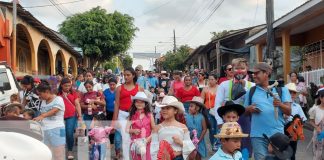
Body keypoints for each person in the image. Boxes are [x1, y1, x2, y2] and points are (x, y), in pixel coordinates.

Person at [244, 62, 292, 160]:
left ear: (266, 73)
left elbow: (289, 111)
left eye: (257, 73)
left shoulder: (281, 89)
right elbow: (244, 112)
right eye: (253, 73)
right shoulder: (251, 91)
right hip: (257, 136)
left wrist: (280, 104)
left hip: (277, 135)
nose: (254, 76)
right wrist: (249, 109)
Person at [215, 58, 254, 156]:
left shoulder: (253, 86)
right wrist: (219, 121)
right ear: (232, 69)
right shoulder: (224, 85)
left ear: (247, 69)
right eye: (236, 68)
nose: (240, 71)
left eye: (242, 68)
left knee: (245, 150)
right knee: (228, 149)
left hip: (246, 122)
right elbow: (217, 104)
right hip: (228, 120)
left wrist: (244, 87)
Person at [113, 67, 143, 160]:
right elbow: (117, 104)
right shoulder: (119, 88)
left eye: (128, 75)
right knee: (125, 139)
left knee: (136, 138)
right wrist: (114, 120)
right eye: (124, 75)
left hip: (135, 115)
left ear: (133, 75)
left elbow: (142, 104)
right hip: (122, 114)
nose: (126, 77)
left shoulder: (139, 88)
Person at [33, 82, 66, 160]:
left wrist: (42, 116)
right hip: (45, 130)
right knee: (47, 153)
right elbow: (42, 115)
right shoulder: (43, 101)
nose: (39, 96)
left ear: (47, 92)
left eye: (40, 94)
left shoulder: (58, 99)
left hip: (58, 129)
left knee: (59, 154)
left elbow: (55, 110)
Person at [57, 78, 83, 159]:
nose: (67, 87)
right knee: (60, 134)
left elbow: (77, 104)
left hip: (71, 115)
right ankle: (60, 150)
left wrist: (80, 116)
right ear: (61, 85)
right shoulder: (58, 94)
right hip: (60, 117)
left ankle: (70, 150)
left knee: (69, 133)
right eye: (65, 86)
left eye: (69, 85)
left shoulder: (73, 93)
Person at [126, 92, 155, 160]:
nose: (139, 104)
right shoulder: (131, 115)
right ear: (134, 103)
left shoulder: (149, 115)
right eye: (137, 102)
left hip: (147, 143)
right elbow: (127, 129)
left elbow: (154, 129)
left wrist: (148, 139)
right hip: (135, 143)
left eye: (142, 102)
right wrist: (133, 130)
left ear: (145, 103)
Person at [284, 83, 307, 160]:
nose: (292, 94)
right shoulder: (280, 105)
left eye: (294, 92)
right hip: (281, 132)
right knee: (280, 153)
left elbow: (303, 120)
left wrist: (297, 124)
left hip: (293, 133)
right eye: (290, 92)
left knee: (292, 154)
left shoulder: (297, 107)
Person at [201, 74, 218, 150]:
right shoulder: (205, 89)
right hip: (208, 110)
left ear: (216, 80)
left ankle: (218, 144)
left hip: (218, 110)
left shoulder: (220, 88)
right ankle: (213, 144)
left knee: (218, 127)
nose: (210, 81)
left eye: (212, 79)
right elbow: (201, 100)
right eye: (209, 79)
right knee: (211, 128)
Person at [309, 87, 324, 160]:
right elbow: (311, 121)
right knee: (318, 152)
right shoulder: (315, 109)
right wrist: (316, 127)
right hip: (319, 133)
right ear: (321, 98)